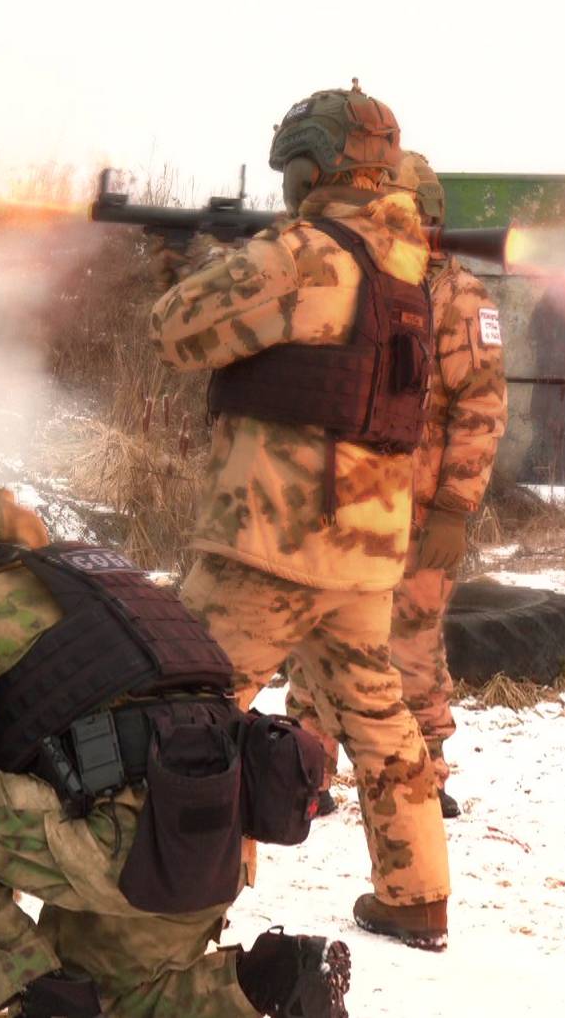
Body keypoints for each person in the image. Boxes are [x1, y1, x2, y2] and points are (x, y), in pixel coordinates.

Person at [0, 463, 352, 1018]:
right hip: (214, 835)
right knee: (116, 996)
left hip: (125, 842)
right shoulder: (85, 572)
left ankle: (45, 1003)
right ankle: (276, 980)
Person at [151, 84, 452, 950]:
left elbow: (176, 332)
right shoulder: (405, 262)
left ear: (309, 165)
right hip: (363, 551)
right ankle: (416, 891)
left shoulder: (303, 254)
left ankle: (174, 902)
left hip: (271, 543)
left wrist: (179, 264)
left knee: (186, 712)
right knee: (379, 717)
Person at [286, 151, 509, 821]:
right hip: (351, 500)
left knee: (410, 640)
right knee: (319, 634)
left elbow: (481, 408)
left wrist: (452, 510)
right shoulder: (365, 283)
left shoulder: (460, 296)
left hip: (419, 512)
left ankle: (425, 776)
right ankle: (304, 769)